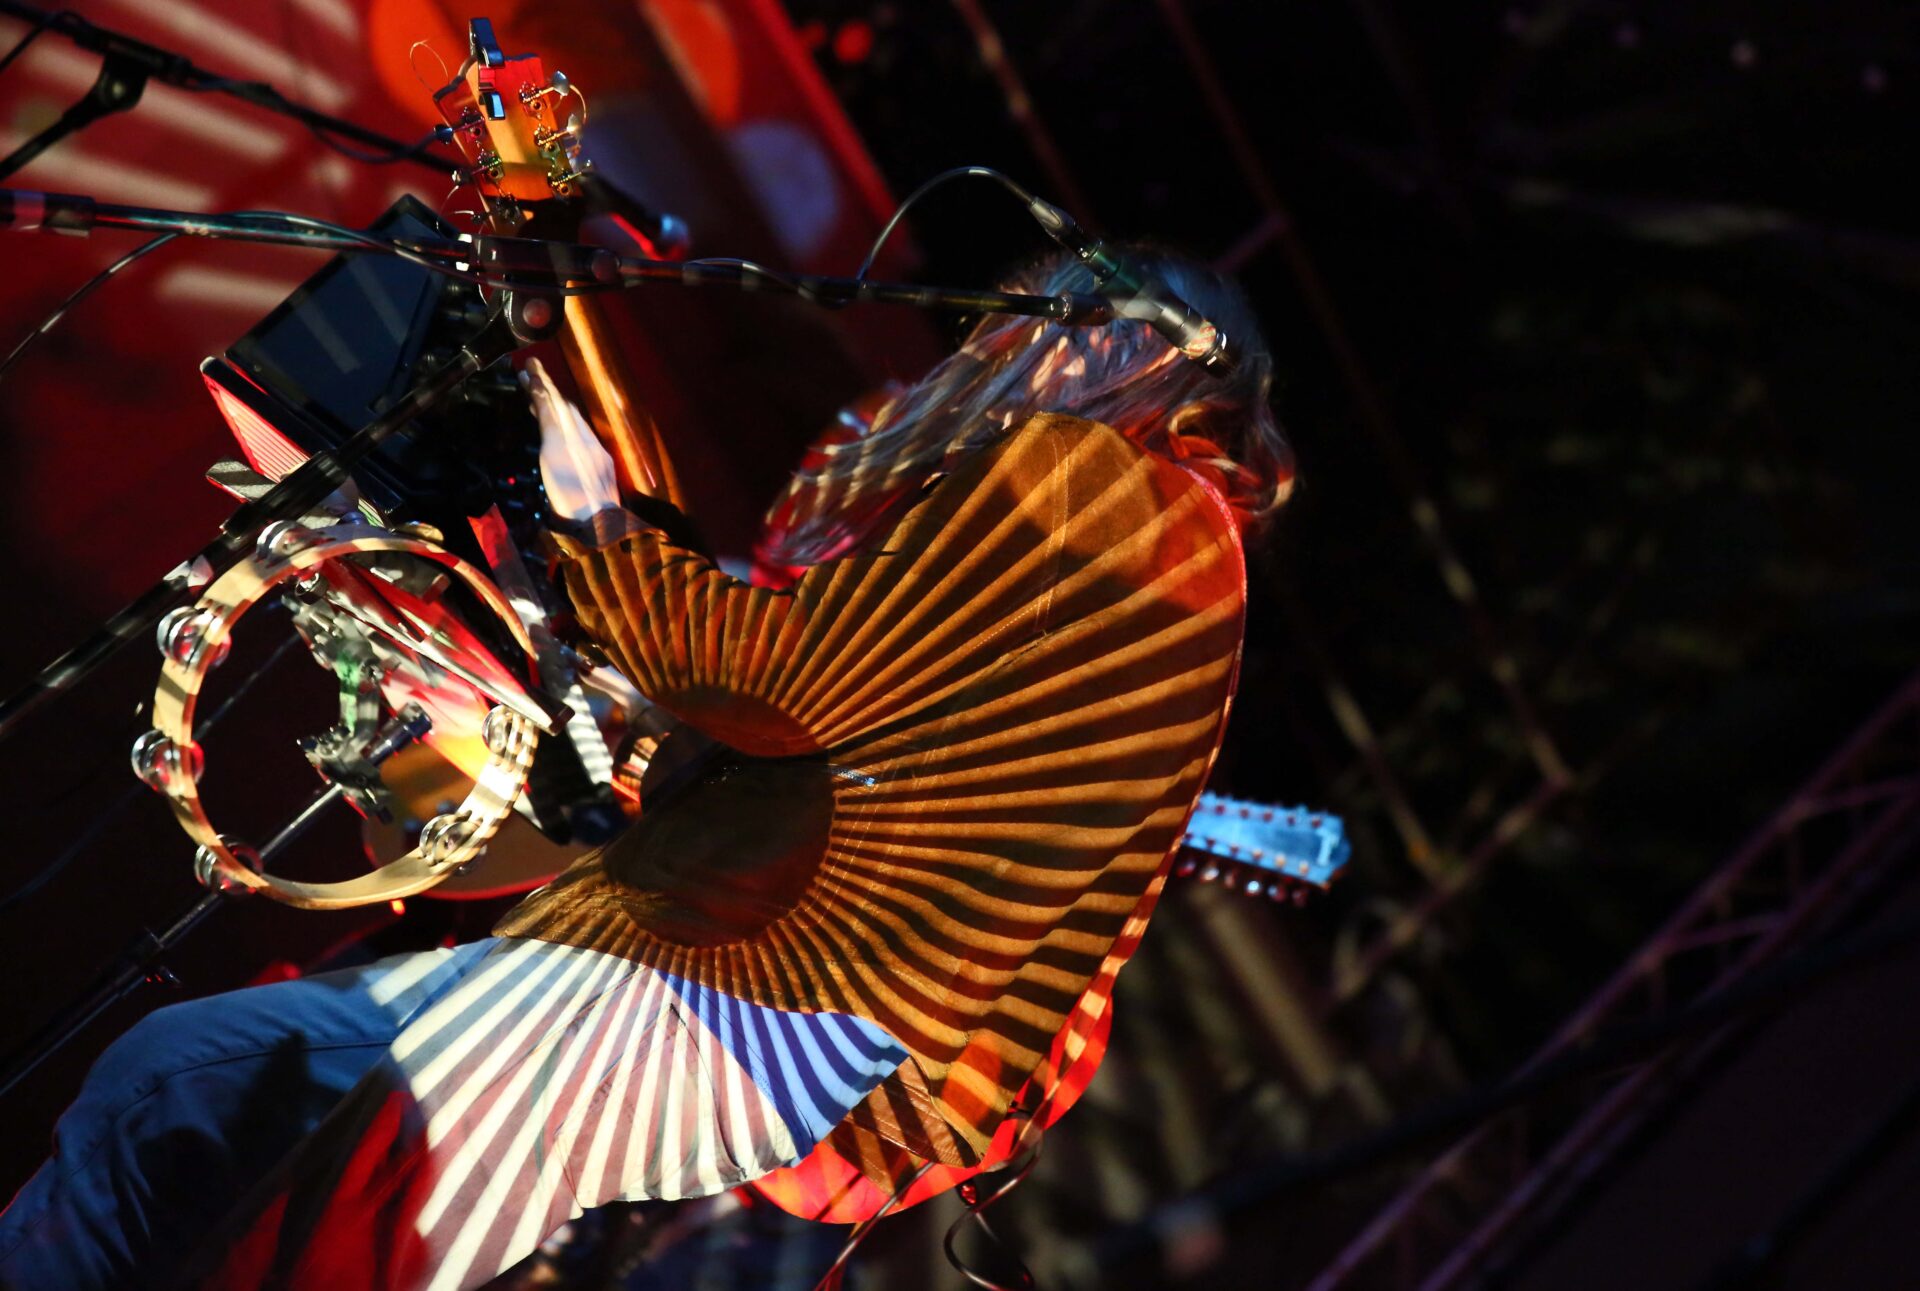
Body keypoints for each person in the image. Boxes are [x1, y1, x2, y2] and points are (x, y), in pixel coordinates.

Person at [0, 247, 1291, 1290]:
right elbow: (843, 728)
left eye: (1049, 322)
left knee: (202, 1114)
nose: (1004, 346)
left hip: (760, 1001)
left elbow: (780, 681)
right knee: (250, 1162)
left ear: (1136, 352)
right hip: (784, 1023)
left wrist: (592, 521)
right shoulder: (1169, 548)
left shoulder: (1104, 485)